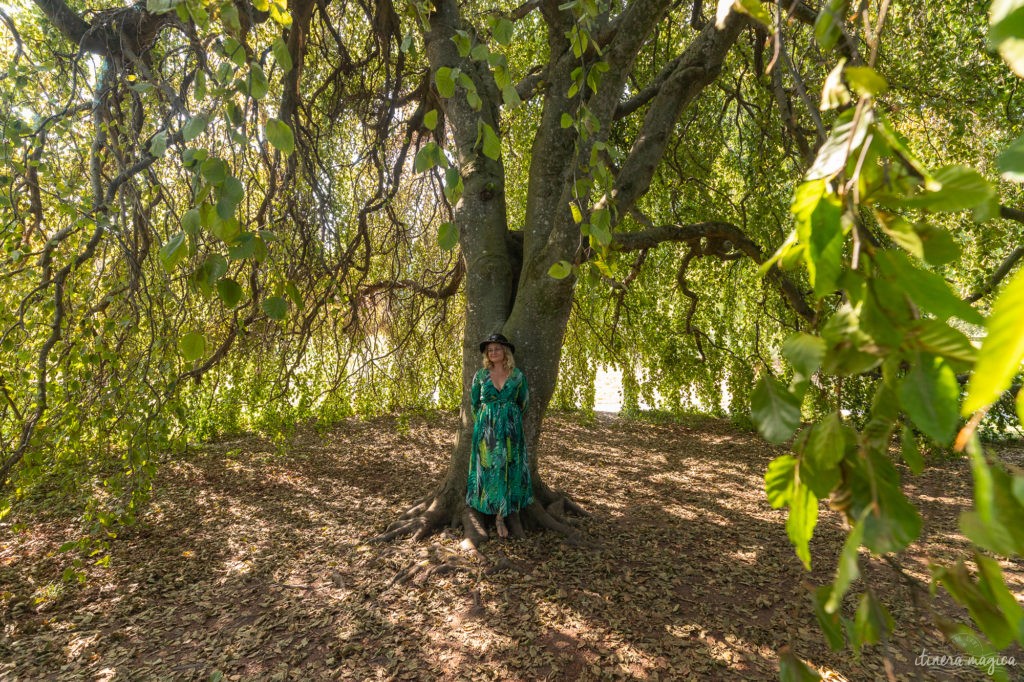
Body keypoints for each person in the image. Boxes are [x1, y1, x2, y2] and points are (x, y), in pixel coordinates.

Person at [466, 333, 533, 538]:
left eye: (497, 348)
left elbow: (524, 403)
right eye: (490, 350)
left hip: (511, 432)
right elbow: (474, 403)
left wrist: (508, 419)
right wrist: (488, 422)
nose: (493, 352)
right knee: (489, 471)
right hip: (487, 432)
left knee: (509, 470)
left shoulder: (517, 376)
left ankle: (502, 517)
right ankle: (493, 515)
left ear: (506, 351)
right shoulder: (480, 375)